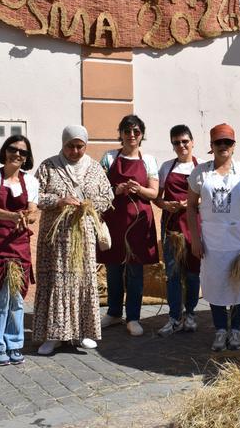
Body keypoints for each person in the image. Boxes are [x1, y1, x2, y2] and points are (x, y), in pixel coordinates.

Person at [33, 125, 114, 355]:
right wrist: (59, 201)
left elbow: (107, 196)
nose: (75, 151)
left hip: (84, 236)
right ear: (63, 144)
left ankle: (81, 333)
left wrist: (89, 204)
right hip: (55, 237)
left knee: (82, 280)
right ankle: (53, 336)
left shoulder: (95, 168)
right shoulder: (49, 166)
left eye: (80, 146)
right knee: (56, 282)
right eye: (71, 146)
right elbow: (35, 196)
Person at [187, 124, 240, 351]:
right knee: (215, 286)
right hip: (212, 242)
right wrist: (195, 239)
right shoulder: (200, 173)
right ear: (211, 146)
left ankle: (236, 331)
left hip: (238, 241)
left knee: (238, 286)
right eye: (218, 142)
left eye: (227, 142)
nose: (223, 146)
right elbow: (190, 208)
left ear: (234, 146)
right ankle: (220, 330)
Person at [97, 115, 160, 336]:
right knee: (114, 268)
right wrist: (117, 190)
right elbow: (98, 189)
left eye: (136, 131)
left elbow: (154, 192)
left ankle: (133, 317)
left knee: (135, 271)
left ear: (142, 134)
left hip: (139, 224)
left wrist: (138, 189)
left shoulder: (149, 160)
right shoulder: (109, 157)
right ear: (121, 134)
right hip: (115, 221)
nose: (131, 135)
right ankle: (114, 313)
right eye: (127, 131)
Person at [0, 135, 38, 366]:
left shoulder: (30, 181)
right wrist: (15, 215)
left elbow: (33, 211)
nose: (17, 154)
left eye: (23, 152)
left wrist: (28, 217)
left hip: (19, 243)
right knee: (2, 296)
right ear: (5, 151)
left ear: (27, 158)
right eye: (13, 149)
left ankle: (14, 343)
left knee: (17, 296)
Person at [155, 125, 200, 337]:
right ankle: (174, 317)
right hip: (172, 229)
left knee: (192, 274)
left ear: (192, 142)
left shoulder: (202, 168)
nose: (181, 146)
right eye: (176, 142)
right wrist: (165, 205)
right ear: (172, 145)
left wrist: (191, 202)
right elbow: (157, 196)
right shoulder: (166, 167)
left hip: (194, 227)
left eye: (184, 141)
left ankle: (190, 315)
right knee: (172, 274)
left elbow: (208, 197)